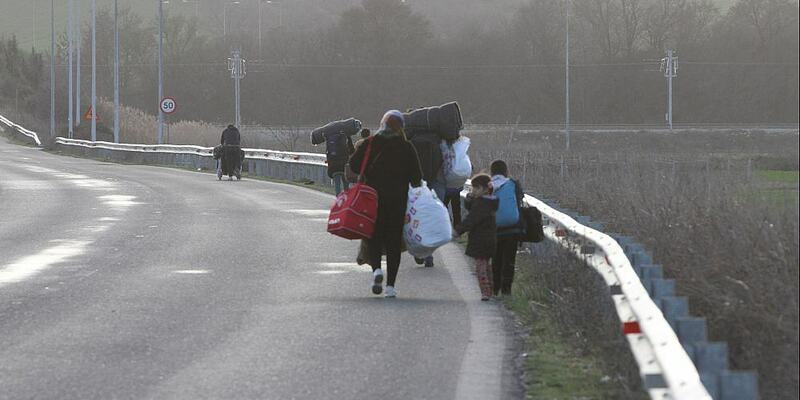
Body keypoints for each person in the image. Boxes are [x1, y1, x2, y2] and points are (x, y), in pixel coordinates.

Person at [348, 110, 422, 298]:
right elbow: (416, 178)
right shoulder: (406, 147)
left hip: (372, 200)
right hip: (397, 201)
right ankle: (390, 286)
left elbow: (354, 165)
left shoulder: (370, 143)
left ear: (383, 124)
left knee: (373, 236)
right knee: (393, 242)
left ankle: (376, 272)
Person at [453, 174, 498, 301]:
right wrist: (470, 199)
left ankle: (485, 291)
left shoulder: (482, 204)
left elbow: (472, 219)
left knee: (480, 268)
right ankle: (491, 289)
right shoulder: (490, 202)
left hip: (481, 240)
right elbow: (472, 209)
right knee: (487, 265)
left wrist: (458, 230)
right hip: (490, 239)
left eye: (476, 189)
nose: (473, 191)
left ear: (484, 189)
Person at [490, 159, 524, 296]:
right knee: (509, 259)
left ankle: (495, 287)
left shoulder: (488, 185)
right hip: (512, 228)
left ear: (492, 172)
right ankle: (506, 289)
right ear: (506, 171)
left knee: (496, 259)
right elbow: (519, 201)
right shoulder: (513, 184)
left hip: (494, 229)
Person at [326, 130, 356, 196]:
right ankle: (346, 200)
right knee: (346, 185)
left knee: (337, 185)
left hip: (334, 168)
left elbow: (328, 153)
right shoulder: (345, 147)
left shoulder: (332, 146)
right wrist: (349, 138)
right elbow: (352, 151)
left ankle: (339, 200)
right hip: (344, 167)